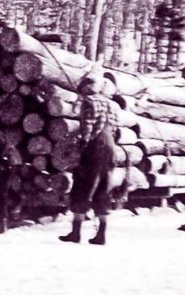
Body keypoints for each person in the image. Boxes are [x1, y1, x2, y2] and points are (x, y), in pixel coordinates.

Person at [59, 74, 118, 245]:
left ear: (86, 88)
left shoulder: (89, 102)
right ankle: (101, 235)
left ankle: (75, 233)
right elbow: (113, 128)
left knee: (82, 186)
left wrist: (82, 143)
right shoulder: (111, 104)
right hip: (110, 148)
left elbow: (88, 126)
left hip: (95, 148)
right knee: (103, 189)